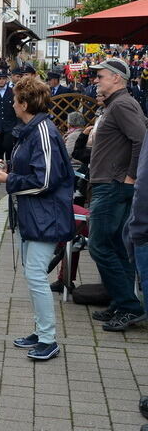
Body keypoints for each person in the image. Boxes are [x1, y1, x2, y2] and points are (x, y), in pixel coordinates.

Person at [0, 76, 73, 361]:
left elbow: (45, 180)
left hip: (45, 216)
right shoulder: (33, 130)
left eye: (15, 100)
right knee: (33, 274)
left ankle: (49, 339)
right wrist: (9, 168)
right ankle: (41, 332)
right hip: (34, 215)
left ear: (24, 103)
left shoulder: (42, 132)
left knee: (36, 275)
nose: (12, 104)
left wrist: (9, 178)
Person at [85, 58, 148, 331]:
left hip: (113, 185)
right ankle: (123, 303)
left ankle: (130, 305)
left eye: (100, 76)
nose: (96, 80)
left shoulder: (122, 104)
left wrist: (131, 175)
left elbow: (141, 138)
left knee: (98, 245)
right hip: (110, 183)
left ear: (116, 78)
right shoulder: (117, 104)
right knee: (115, 246)